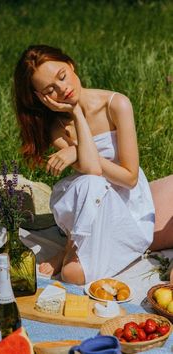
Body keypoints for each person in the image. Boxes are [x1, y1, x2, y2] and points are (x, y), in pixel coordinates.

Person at [13, 44, 173, 285]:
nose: (62, 89)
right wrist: (76, 114)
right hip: (92, 201)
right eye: (50, 89)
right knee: (88, 183)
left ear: (71, 65)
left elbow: (129, 178)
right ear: (40, 97)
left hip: (128, 203)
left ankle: (71, 249)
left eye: (62, 76)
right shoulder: (56, 125)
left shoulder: (116, 104)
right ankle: (72, 246)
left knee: (71, 274)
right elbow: (93, 173)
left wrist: (75, 150)